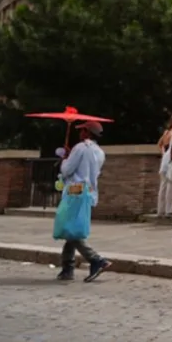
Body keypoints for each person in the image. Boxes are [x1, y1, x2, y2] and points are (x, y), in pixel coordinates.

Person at [56, 121, 112, 282]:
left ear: (87, 132)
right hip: (89, 192)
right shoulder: (100, 152)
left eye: (82, 131)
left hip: (75, 191)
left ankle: (96, 259)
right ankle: (67, 268)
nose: (80, 134)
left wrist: (65, 159)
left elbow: (67, 170)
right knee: (71, 229)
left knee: (70, 229)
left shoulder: (79, 148)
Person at [156, 114, 172, 216]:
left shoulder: (166, 132)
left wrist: (163, 153)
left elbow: (159, 144)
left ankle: (160, 210)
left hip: (164, 162)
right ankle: (170, 209)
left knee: (163, 186)